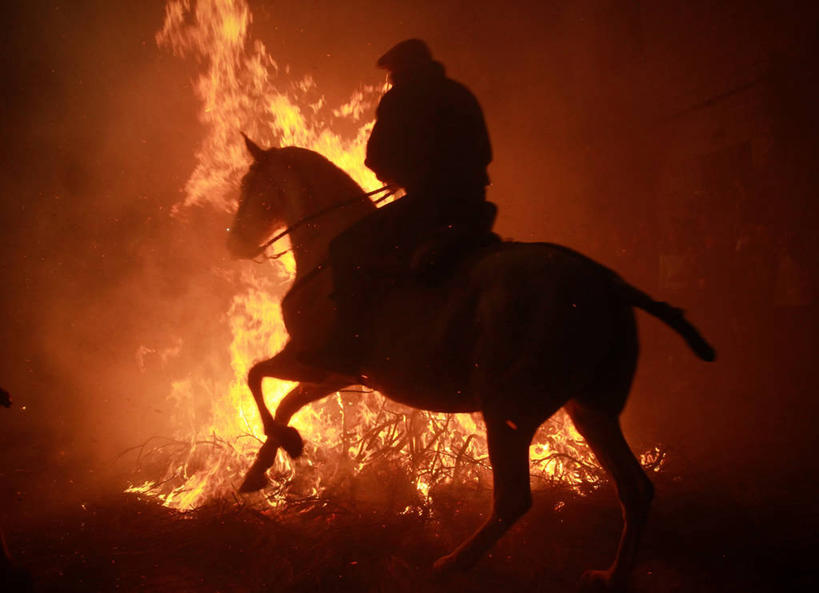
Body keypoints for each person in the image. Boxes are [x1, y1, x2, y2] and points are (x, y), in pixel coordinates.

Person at [306, 39, 496, 376]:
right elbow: (485, 152)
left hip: (430, 206)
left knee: (346, 248)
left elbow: (376, 156)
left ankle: (347, 347)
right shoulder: (460, 93)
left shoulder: (402, 97)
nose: (391, 81)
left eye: (392, 74)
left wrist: (394, 176)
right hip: (472, 206)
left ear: (401, 71)